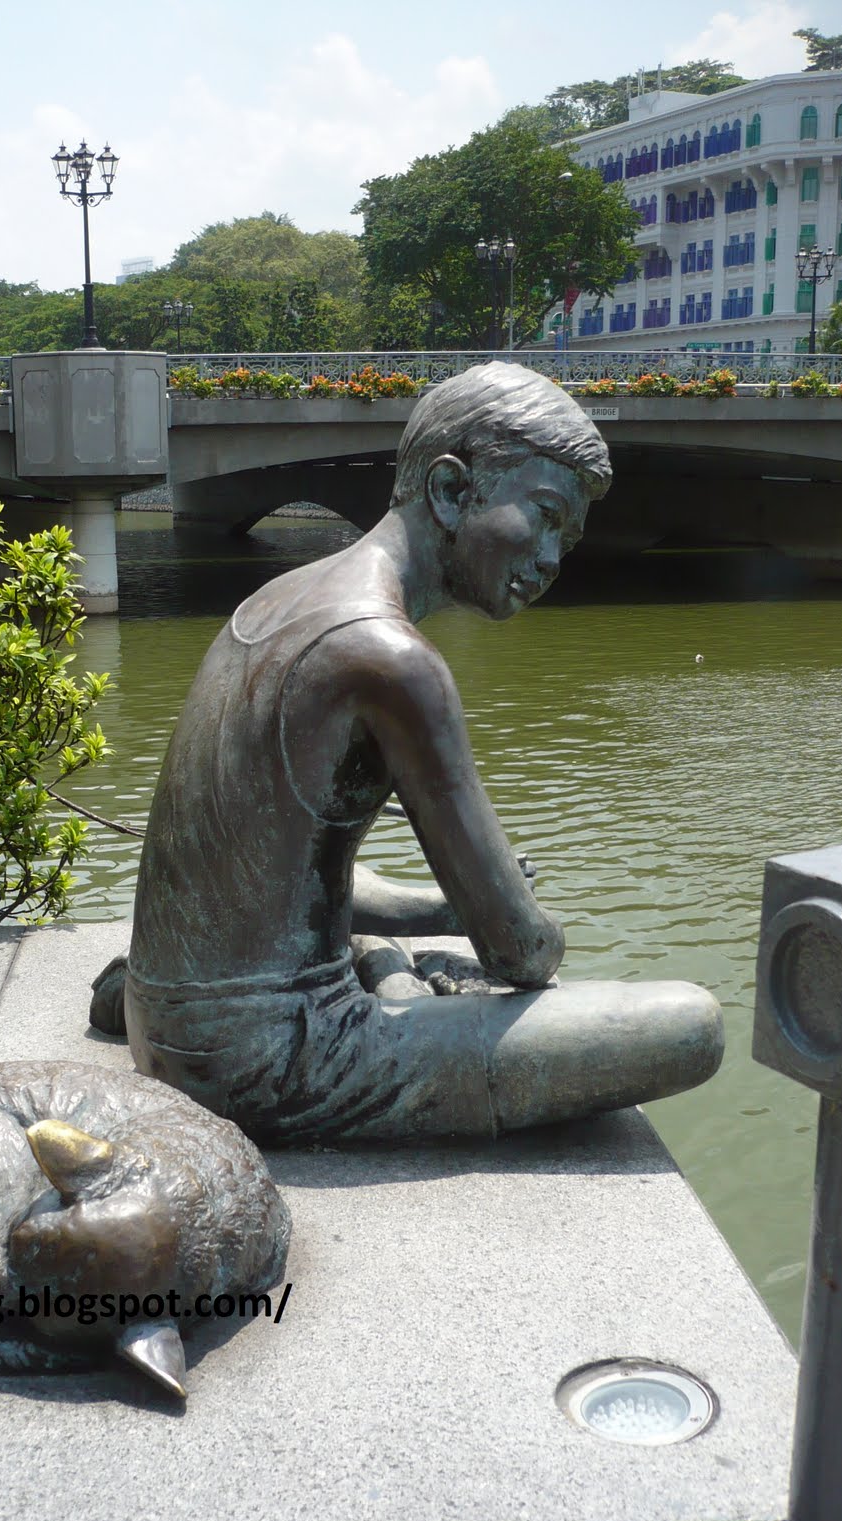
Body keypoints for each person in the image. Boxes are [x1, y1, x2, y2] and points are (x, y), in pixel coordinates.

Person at [117, 361, 724, 1144]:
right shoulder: (394, 660)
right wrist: (519, 914)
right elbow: (522, 953)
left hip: (163, 1024)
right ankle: (393, 991)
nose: (551, 559)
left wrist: (439, 907)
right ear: (449, 490)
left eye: (567, 539)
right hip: (265, 1065)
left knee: (389, 949)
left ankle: (391, 979)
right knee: (690, 1024)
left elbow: (287, 872)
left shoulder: (276, 599)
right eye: (543, 517)